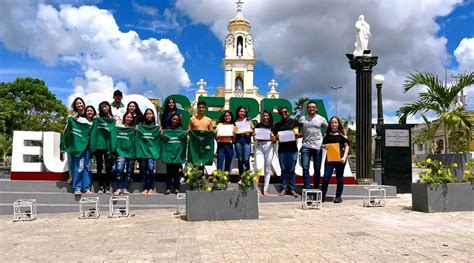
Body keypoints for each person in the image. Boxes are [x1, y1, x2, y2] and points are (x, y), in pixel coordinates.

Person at [272, 107, 302, 198]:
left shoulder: (295, 122)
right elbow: (273, 139)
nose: (283, 113)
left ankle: (292, 189)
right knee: (284, 170)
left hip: (293, 150)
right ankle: (284, 189)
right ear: (280, 114)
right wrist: (276, 137)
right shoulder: (277, 125)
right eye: (281, 112)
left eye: (285, 112)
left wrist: (297, 135)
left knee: (292, 170)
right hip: (282, 150)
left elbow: (301, 134)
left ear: (288, 112)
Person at [299, 102, 328, 189]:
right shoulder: (302, 119)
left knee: (317, 169)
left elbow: (328, 129)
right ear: (307, 108)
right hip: (305, 146)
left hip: (318, 147)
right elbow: (298, 130)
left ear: (316, 109)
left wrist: (324, 140)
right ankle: (307, 187)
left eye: (313, 107)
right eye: (310, 107)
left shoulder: (321, 119)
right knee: (305, 168)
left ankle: (316, 188)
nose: (311, 108)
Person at [321, 116, 350, 203]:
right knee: (326, 177)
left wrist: (344, 157)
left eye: (335, 122)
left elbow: (347, 146)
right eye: (332, 122)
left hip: (340, 158)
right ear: (330, 124)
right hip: (330, 158)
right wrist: (324, 146)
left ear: (338, 124)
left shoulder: (342, 135)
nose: (334, 124)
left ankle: (338, 196)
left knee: (339, 178)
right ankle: (322, 196)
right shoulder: (327, 135)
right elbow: (323, 145)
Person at [254, 110, 276, 196]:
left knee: (267, 169)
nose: (265, 117)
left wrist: (272, 137)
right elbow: (255, 138)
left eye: (267, 116)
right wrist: (254, 135)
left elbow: (274, 141)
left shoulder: (273, 126)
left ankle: (265, 189)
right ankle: (256, 188)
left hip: (269, 146)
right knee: (258, 168)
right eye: (264, 116)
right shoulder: (258, 125)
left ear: (269, 116)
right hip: (259, 147)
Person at [95, 101, 115, 194]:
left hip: (108, 145)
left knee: (108, 166)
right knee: (99, 166)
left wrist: (114, 121)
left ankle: (107, 186)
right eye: (102, 107)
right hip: (99, 145)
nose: (104, 109)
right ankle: (100, 186)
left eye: (106, 107)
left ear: (109, 107)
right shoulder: (97, 119)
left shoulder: (112, 118)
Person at [114, 112, 136, 196]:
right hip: (121, 152)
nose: (129, 119)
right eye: (127, 117)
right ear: (124, 117)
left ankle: (125, 188)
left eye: (131, 117)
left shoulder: (134, 129)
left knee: (129, 171)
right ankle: (119, 187)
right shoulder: (119, 127)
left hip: (131, 152)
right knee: (119, 169)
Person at [65, 97, 86, 184]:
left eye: (80, 103)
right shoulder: (71, 116)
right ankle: (71, 176)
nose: (79, 105)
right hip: (72, 141)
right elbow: (67, 127)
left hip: (83, 141)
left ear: (83, 104)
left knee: (83, 161)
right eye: (77, 104)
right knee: (70, 160)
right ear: (75, 105)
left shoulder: (88, 114)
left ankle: (82, 178)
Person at [162, 114, 185, 194]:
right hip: (169, 154)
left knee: (177, 173)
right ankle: (168, 188)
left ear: (179, 121)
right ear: (171, 119)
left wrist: (186, 134)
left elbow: (184, 140)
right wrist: (161, 133)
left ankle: (177, 188)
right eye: (174, 119)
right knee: (169, 172)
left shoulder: (181, 130)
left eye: (177, 120)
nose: (175, 121)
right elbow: (163, 139)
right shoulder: (167, 130)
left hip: (178, 155)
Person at [140, 109, 157, 195]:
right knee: (143, 169)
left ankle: (151, 187)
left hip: (152, 152)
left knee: (150, 169)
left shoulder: (156, 126)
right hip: (143, 151)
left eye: (150, 114)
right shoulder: (141, 126)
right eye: (147, 114)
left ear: (153, 115)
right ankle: (145, 187)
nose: (148, 115)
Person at [234, 106, 254, 176]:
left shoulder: (249, 120)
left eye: (243, 112)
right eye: (241, 111)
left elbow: (253, 131)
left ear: (245, 113)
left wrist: (252, 129)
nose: (242, 113)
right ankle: (241, 177)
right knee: (240, 159)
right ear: (238, 112)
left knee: (246, 159)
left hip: (246, 140)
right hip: (238, 141)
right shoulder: (235, 121)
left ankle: (248, 177)